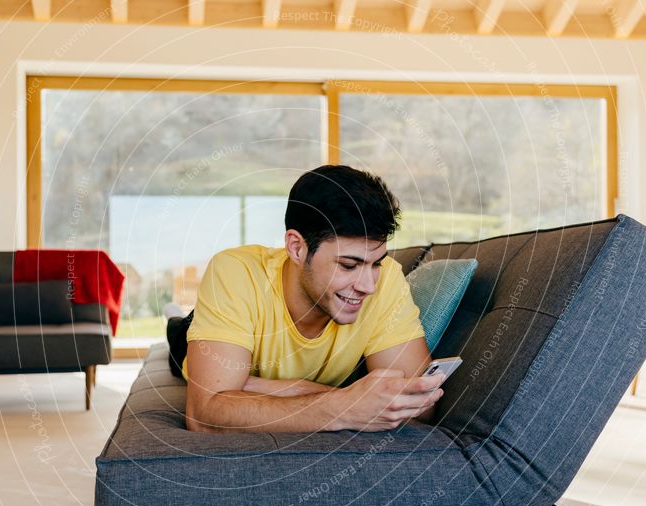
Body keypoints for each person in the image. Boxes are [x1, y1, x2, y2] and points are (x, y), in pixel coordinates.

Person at [167, 165, 445, 434]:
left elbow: (419, 406)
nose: (369, 286)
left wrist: (255, 389)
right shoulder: (235, 272)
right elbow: (205, 416)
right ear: (297, 248)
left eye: (375, 264)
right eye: (348, 265)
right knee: (179, 332)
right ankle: (174, 317)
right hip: (194, 338)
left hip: (243, 353)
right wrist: (345, 404)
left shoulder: (385, 281)